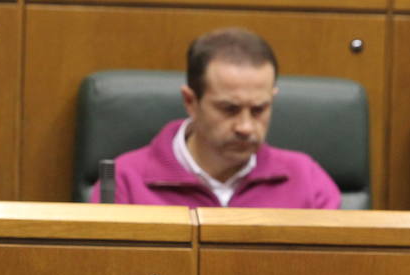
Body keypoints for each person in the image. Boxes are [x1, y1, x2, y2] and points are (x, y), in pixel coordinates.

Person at [90, 28, 340, 209]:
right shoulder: (125, 181)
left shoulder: (307, 179)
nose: (245, 127)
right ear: (190, 102)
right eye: (229, 109)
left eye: (259, 109)